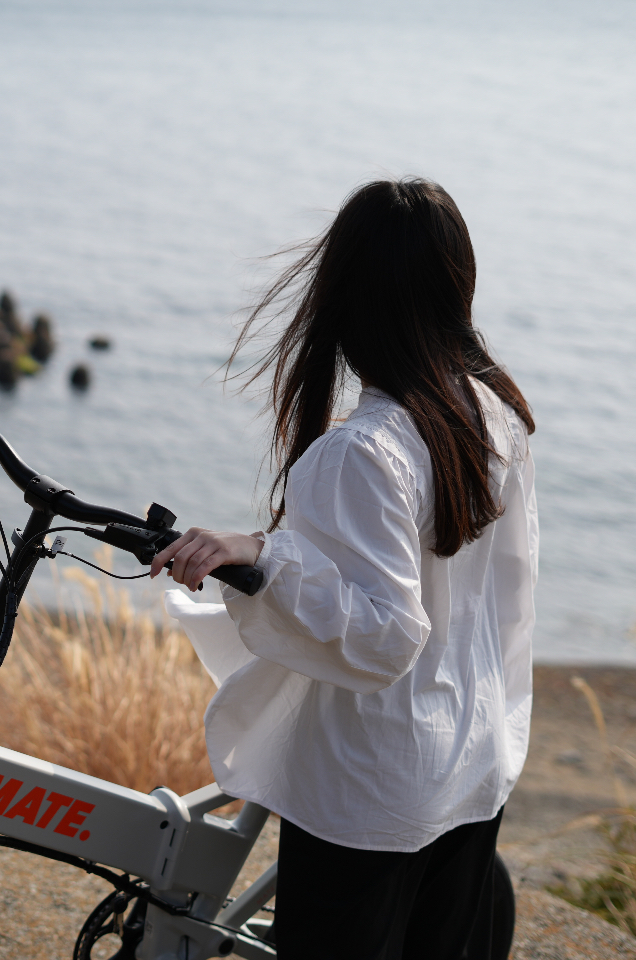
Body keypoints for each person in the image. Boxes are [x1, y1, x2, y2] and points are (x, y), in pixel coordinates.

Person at [151, 178, 537, 960]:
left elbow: (387, 636)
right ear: (456, 283)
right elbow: (508, 594)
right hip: (473, 755)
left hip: (376, 784)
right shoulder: (497, 414)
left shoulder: (361, 451)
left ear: (346, 293)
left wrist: (266, 554)